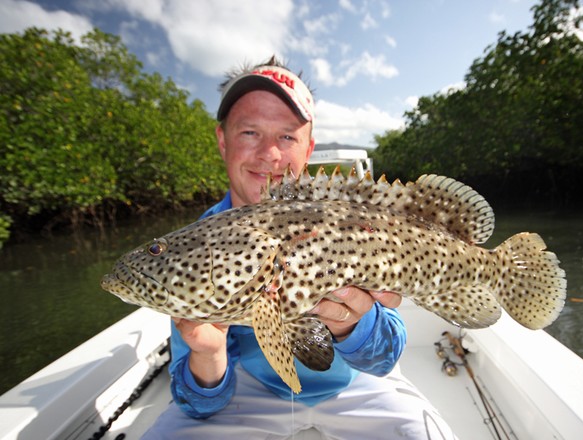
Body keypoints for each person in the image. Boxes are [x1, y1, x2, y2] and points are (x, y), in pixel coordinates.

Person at [142, 56, 456, 440]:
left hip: (359, 386)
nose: (270, 155)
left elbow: (386, 358)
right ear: (223, 140)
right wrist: (208, 354)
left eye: (287, 136)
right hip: (248, 389)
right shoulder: (199, 243)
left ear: (309, 148)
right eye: (250, 133)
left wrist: (350, 324)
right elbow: (197, 406)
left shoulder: (357, 217)